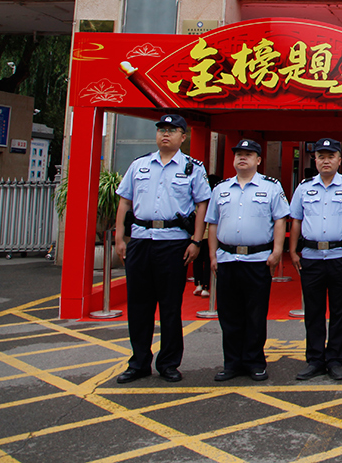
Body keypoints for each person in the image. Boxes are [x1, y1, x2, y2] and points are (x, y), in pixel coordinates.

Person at [112, 114, 211, 384]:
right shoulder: (139, 165)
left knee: (170, 306)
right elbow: (125, 202)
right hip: (141, 240)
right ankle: (139, 362)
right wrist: (120, 238)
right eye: (161, 130)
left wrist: (196, 240)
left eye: (172, 130)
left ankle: (168, 363)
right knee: (139, 306)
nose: (165, 134)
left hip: (173, 243)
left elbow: (203, 204)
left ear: (183, 137)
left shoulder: (193, 168)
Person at [205, 139, 289, 382]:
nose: (243, 158)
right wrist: (212, 255)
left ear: (259, 160)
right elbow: (212, 224)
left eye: (248, 154)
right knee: (229, 315)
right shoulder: (221, 189)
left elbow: (280, 220)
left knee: (255, 314)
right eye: (239, 154)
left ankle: (254, 362)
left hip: (258, 259)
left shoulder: (271, 187)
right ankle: (231, 363)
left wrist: (276, 252)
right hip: (227, 258)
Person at [289, 138, 342, 381]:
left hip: (340, 256)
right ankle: (314, 359)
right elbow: (296, 220)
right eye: (321, 156)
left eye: (330, 156)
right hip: (311, 257)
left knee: (340, 311)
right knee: (313, 311)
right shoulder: (304, 188)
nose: (325, 160)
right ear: (315, 159)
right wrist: (292, 251)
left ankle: (335, 359)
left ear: (339, 160)